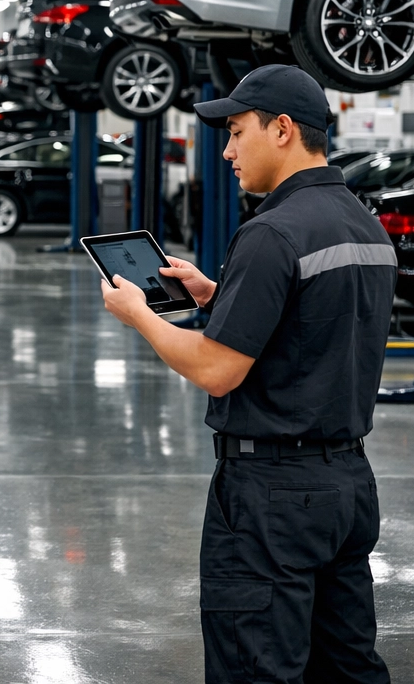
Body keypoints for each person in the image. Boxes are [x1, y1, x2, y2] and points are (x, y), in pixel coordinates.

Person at [99, 65, 394, 684]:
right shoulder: (363, 224)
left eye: (236, 132)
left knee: (256, 668)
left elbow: (217, 370)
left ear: (282, 129)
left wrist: (139, 316)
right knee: (347, 667)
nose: (228, 151)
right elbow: (311, 330)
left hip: (271, 497)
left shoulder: (271, 232)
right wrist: (214, 294)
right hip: (346, 485)